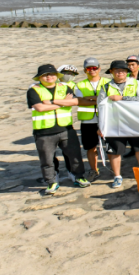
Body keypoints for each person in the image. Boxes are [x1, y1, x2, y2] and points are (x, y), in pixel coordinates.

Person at [28, 64, 86, 194]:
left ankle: (79, 177)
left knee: (75, 155)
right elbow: (40, 108)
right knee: (47, 159)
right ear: (39, 77)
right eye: (45, 75)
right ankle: (51, 182)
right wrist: (62, 103)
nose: (49, 77)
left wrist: (51, 102)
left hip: (66, 128)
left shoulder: (64, 87)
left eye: (52, 74)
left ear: (56, 76)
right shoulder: (34, 90)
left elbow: (75, 102)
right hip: (44, 131)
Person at [97, 60, 139, 188]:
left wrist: (122, 98)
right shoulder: (105, 87)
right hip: (114, 124)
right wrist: (100, 126)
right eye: (117, 70)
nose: (120, 73)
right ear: (111, 72)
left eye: (123, 71)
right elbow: (100, 108)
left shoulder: (135, 83)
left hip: (134, 122)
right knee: (115, 151)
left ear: (127, 72)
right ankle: (117, 176)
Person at [73, 57, 109, 178]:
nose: (92, 70)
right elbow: (80, 101)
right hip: (88, 120)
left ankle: (114, 170)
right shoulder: (79, 85)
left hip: (106, 118)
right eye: (89, 68)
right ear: (85, 70)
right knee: (90, 147)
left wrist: (90, 98)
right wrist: (100, 99)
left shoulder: (108, 82)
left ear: (99, 69)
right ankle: (94, 170)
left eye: (94, 68)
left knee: (110, 146)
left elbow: (110, 98)